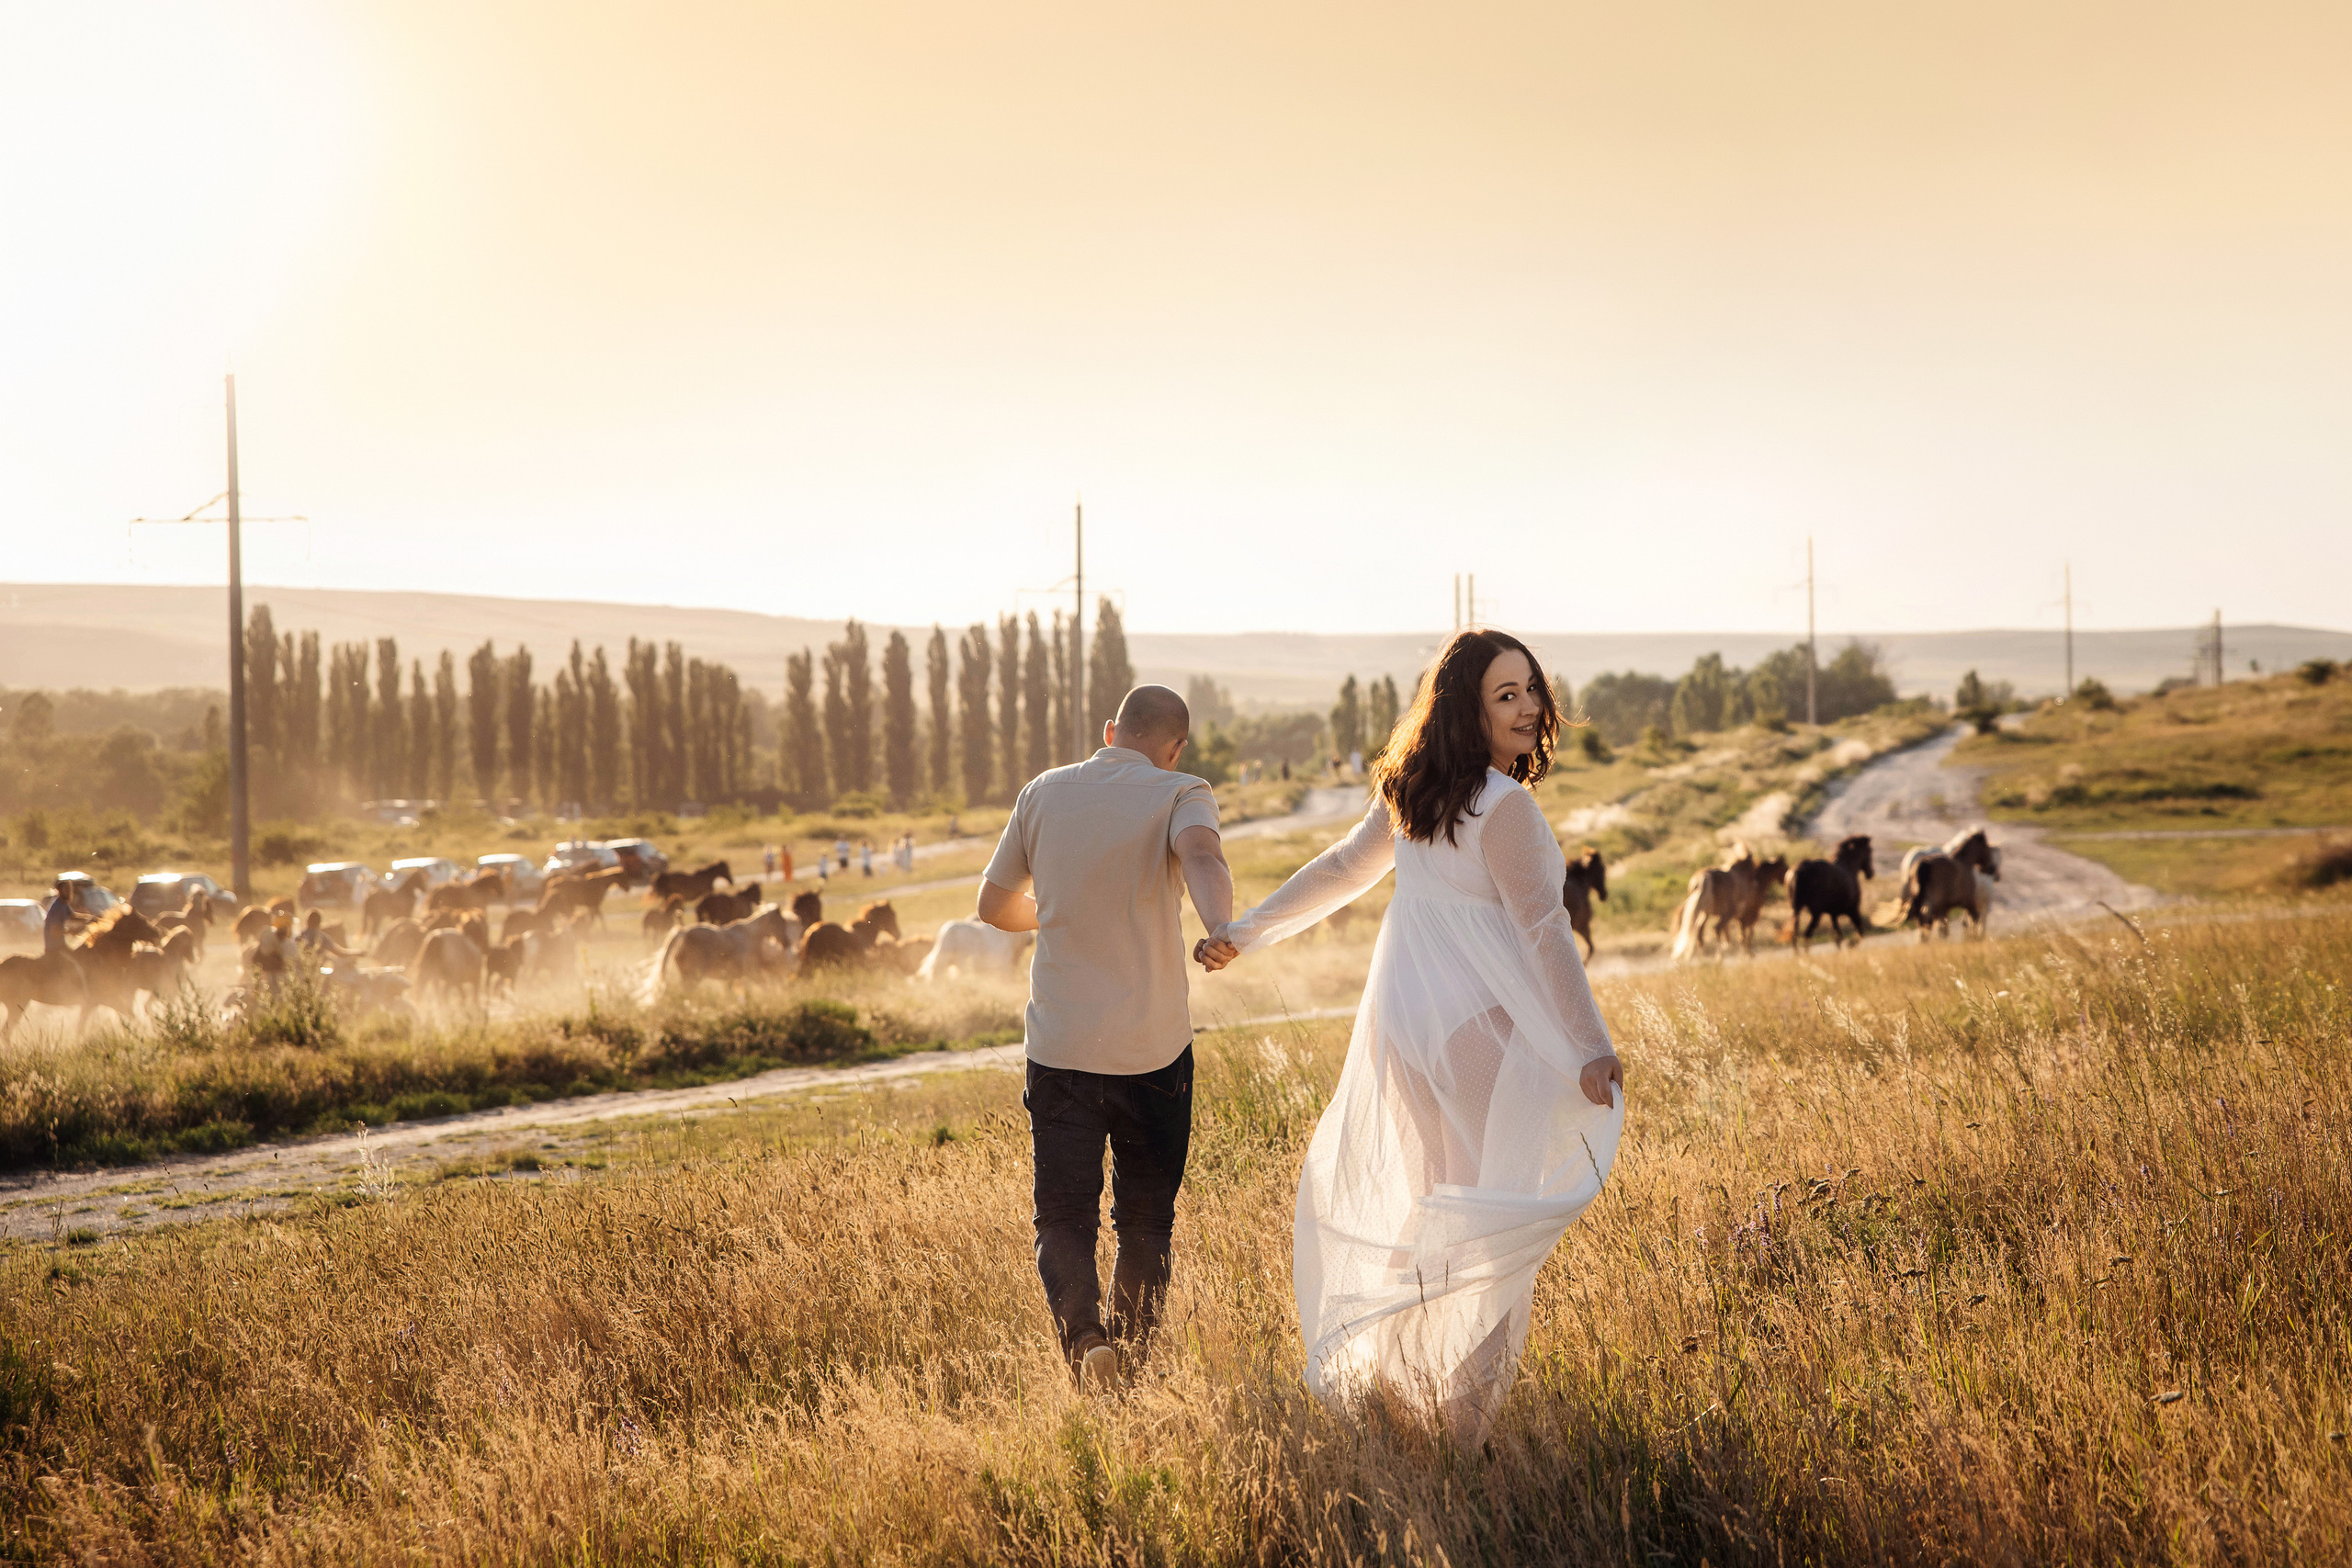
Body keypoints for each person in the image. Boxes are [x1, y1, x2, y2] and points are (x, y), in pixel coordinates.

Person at [1199, 627, 1624, 1441]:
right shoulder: (1504, 806)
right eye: (1506, 695)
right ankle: (1459, 1422)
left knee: (1435, 1207)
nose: (1528, 707)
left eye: (1532, 689)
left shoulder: (1415, 793)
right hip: (1474, 1034)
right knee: (1487, 1221)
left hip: (1404, 1031)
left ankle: (1397, 1394)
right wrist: (1591, 1045)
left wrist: (1245, 930)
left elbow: (1340, 870)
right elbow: (1545, 930)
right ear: (1468, 708)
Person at [977, 684, 1234, 1392]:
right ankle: (1132, 1369)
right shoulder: (1182, 790)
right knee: (1145, 1220)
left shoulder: (1042, 791)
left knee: (1064, 1215)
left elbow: (993, 905)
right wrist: (1221, 927)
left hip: (1060, 1046)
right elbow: (1202, 855)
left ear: (1111, 730)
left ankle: (1087, 1339)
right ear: (1175, 748)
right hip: (1152, 1050)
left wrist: (1060, 909)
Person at [42, 875, 78, 956]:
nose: (69, 892)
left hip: (61, 946)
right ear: (60, 891)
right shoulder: (58, 907)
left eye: (70, 889)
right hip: (54, 949)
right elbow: (54, 930)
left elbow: (73, 916)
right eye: (66, 889)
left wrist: (90, 918)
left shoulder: (63, 904)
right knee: (75, 962)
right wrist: (70, 930)